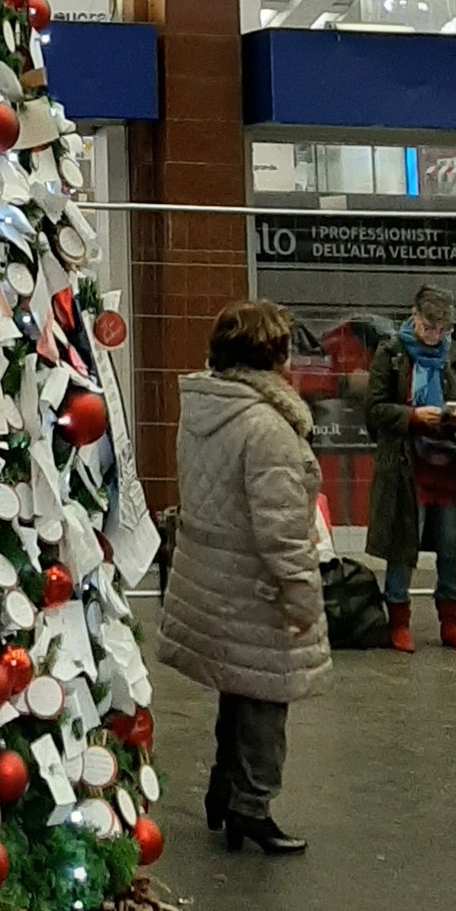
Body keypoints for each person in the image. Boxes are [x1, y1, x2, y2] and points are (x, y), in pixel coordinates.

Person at [158, 297, 330, 854]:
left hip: (214, 572)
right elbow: (281, 530)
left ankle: (224, 792)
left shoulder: (207, 407)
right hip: (257, 584)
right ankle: (252, 806)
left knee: (238, 685)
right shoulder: (268, 427)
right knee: (265, 697)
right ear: (271, 355)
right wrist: (303, 599)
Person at [366, 283, 456, 653]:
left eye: (443, 329)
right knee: (405, 543)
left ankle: (450, 622)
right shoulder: (391, 354)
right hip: (407, 468)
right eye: (430, 326)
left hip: (449, 467)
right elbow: (374, 411)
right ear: (414, 317)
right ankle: (398, 622)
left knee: (451, 547)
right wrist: (413, 417)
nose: (436, 336)